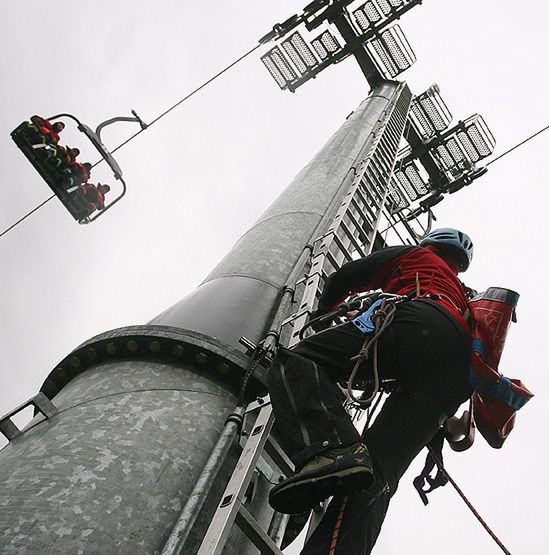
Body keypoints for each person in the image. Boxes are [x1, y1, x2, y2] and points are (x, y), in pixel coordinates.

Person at [267, 228, 475, 554]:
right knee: (375, 478)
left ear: (431, 243)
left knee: (298, 360)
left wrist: (323, 317)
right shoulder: (463, 293)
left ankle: (330, 450)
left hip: (419, 322)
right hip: (457, 376)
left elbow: (344, 277)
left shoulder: (416, 256)